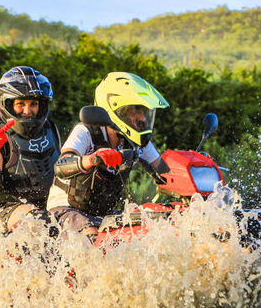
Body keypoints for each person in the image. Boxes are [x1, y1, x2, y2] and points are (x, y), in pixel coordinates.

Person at [46, 72, 170, 242]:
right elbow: (61, 166)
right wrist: (92, 159)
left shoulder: (137, 140)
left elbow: (165, 173)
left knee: (147, 229)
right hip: (66, 210)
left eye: (144, 111)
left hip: (104, 215)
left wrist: (192, 165)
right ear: (114, 109)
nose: (141, 117)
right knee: (93, 239)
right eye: (133, 110)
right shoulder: (87, 131)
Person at [0, 66, 61, 236]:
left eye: (33, 104)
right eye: (20, 104)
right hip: (9, 211)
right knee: (39, 220)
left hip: (50, 207)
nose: (27, 111)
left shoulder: (50, 129)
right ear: (7, 104)